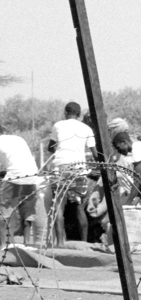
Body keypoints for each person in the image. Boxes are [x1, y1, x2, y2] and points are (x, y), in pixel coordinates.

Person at [48, 102, 96, 244]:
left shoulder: (58, 125)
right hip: (79, 170)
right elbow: (94, 152)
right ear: (79, 114)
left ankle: (60, 243)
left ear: (65, 112)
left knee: (59, 207)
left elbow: (50, 147)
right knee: (79, 207)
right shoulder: (86, 129)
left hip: (60, 168)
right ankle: (84, 243)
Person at [0, 125, 45, 246]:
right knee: (28, 211)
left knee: (6, 211)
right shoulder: (18, 139)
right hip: (32, 175)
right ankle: (27, 244)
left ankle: (5, 245)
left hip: (14, 176)